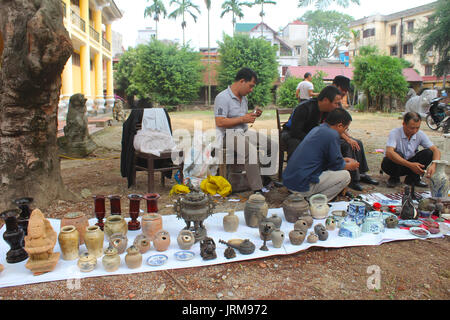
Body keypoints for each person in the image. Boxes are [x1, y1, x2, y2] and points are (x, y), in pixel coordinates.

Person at [214, 67, 275, 193]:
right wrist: (243, 119)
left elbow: (241, 117)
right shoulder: (222, 97)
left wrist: (252, 114)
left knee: (271, 145)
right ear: (242, 81)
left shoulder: (244, 98)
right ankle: (257, 189)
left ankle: (266, 178)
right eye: (250, 86)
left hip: (244, 132)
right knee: (251, 152)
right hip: (228, 135)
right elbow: (220, 122)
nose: (251, 90)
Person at [282, 108, 359, 201]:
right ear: (339, 126)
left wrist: (343, 160)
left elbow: (324, 160)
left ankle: (309, 197)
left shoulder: (318, 129)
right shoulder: (332, 135)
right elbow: (336, 165)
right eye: (345, 128)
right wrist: (351, 166)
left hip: (291, 182)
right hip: (301, 187)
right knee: (345, 176)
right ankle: (316, 202)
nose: (344, 131)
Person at [332, 75, 379, 191]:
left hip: (338, 132)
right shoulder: (329, 99)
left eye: (346, 90)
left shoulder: (338, 101)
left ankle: (362, 173)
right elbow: (333, 126)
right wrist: (348, 139)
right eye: (343, 90)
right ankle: (353, 179)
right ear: (335, 86)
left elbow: (342, 124)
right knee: (348, 144)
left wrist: (350, 137)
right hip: (330, 135)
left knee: (358, 143)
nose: (344, 93)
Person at [381, 111, 441, 191]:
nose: (415, 131)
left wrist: (434, 165)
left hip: (412, 166)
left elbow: (436, 150)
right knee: (395, 154)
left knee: (429, 152)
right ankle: (394, 178)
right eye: (412, 128)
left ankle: (413, 179)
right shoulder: (395, 133)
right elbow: (389, 152)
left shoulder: (420, 134)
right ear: (404, 124)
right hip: (395, 166)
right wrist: (410, 165)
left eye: (417, 128)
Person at [281, 85, 342, 159]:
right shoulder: (304, 108)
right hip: (290, 133)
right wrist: (315, 140)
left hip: (311, 135)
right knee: (296, 144)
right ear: (325, 100)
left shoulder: (328, 111)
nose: (338, 107)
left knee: (337, 143)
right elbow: (295, 132)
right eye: (336, 103)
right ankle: (294, 169)